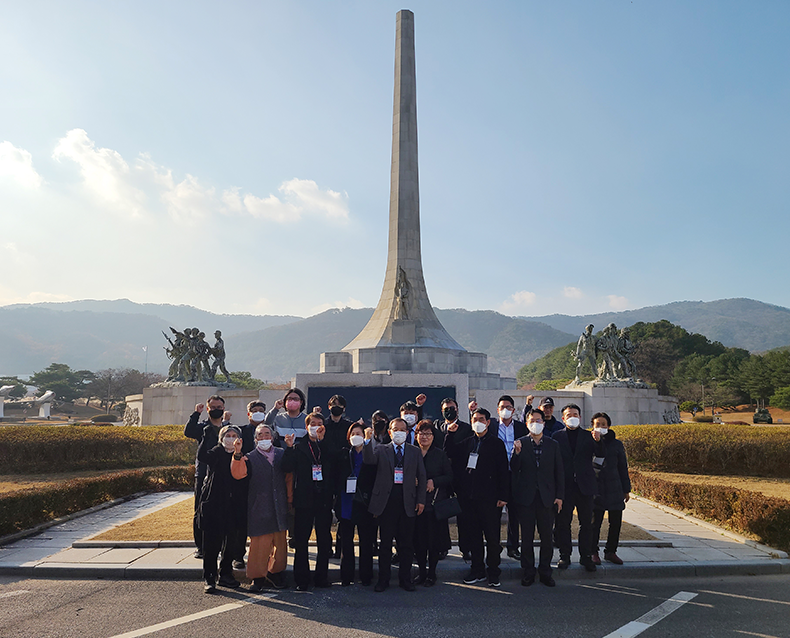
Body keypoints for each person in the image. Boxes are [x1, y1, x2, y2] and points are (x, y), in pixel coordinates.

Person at [444, 408, 509, 587]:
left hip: (490, 498)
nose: (478, 422)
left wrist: (503, 496)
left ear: (488, 422)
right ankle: (477, 569)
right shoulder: (467, 443)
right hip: (469, 499)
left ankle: (494, 571)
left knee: (492, 538)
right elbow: (450, 453)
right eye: (475, 419)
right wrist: (450, 434)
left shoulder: (497, 444)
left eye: (481, 419)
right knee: (474, 537)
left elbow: (503, 471)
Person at [363, 417, 427, 592]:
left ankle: (405, 579)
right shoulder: (381, 449)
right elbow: (368, 461)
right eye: (395, 429)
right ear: (389, 432)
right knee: (385, 544)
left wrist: (421, 500)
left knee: (406, 545)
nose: (398, 432)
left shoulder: (414, 451)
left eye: (402, 430)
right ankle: (383, 580)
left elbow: (422, 477)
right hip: (386, 504)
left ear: (407, 433)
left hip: (408, 503)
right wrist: (368, 440)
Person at [230, 424, 290, 591]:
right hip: (259, 504)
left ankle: (275, 572)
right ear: (255, 439)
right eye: (260, 435)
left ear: (272, 437)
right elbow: (238, 474)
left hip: (280, 503)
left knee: (280, 543)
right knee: (260, 544)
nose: (264, 438)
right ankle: (257, 577)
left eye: (267, 434)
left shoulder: (281, 454)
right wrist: (237, 453)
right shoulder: (249, 457)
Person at [282, 413, 336, 590]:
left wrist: (322, 441)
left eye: (320, 424)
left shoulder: (327, 445)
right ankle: (302, 580)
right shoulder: (299, 447)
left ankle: (322, 578)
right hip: (304, 499)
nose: (316, 426)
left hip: (324, 500)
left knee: (324, 541)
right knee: (301, 540)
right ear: (307, 427)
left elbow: (334, 461)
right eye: (313, 424)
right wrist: (288, 447)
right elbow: (286, 467)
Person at [511, 408, 564, 587]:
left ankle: (545, 571)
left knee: (547, 537)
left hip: (546, 497)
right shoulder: (520, 443)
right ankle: (528, 571)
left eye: (539, 420)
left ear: (543, 423)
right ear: (527, 423)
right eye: (532, 420)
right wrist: (516, 454)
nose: (536, 423)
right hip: (526, 498)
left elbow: (559, 472)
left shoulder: (552, 444)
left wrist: (559, 496)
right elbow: (514, 469)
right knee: (526, 538)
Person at [196, 424, 246, 593]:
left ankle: (226, 574)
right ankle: (209, 578)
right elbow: (202, 456)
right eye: (227, 435)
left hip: (234, 505)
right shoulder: (216, 452)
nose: (230, 438)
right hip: (214, 504)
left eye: (234, 435)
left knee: (230, 543)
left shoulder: (241, 455)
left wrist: (238, 454)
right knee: (211, 544)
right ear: (222, 437)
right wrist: (205, 437)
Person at [552, 403, 598, 572]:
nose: (572, 417)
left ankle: (586, 556)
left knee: (586, 524)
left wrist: (599, 441)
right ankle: (565, 556)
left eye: (575, 414)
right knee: (563, 523)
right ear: (563, 418)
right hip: (564, 487)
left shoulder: (588, 437)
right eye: (569, 415)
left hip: (585, 486)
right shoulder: (556, 437)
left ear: (580, 417)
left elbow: (600, 455)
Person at [184, 394, 226, 558]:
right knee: (201, 510)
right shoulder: (202, 427)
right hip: (203, 475)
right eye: (213, 407)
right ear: (208, 409)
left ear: (223, 408)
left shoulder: (227, 428)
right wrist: (196, 413)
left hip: (223, 475)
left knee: (223, 510)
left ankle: (222, 545)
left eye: (219, 407)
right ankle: (201, 547)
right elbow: (188, 431)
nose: (216, 410)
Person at [412, 420, 453, 586]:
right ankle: (421, 572)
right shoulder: (412, 453)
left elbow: (449, 477)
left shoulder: (439, 454)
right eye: (421, 433)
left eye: (428, 434)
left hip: (434, 504)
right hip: (415, 503)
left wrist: (434, 481)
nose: (424, 437)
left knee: (433, 542)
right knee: (419, 541)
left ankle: (431, 573)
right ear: (416, 436)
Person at [336, 423, 377, 586]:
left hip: (364, 502)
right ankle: (347, 576)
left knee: (366, 542)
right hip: (346, 501)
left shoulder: (370, 453)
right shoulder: (344, 454)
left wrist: (368, 442)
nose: (355, 436)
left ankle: (366, 576)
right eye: (353, 433)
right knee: (346, 541)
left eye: (359, 433)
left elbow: (373, 469)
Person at [589, 412, 631, 566]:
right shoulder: (588, 442)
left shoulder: (617, 444)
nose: (600, 427)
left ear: (608, 426)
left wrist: (626, 489)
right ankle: (593, 551)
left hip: (615, 487)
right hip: (596, 488)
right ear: (592, 426)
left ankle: (611, 551)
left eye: (603, 425)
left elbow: (622, 467)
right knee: (595, 523)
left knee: (615, 523)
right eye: (597, 424)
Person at [432, 397, 470, 559]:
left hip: (459, 475)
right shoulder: (436, 427)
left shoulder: (466, 428)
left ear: (457, 410)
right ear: (442, 411)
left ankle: (466, 547)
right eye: (446, 408)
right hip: (440, 475)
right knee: (440, 513)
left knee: (464, 514)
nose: (449, 411)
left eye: (452, 408)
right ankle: (442, 547)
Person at [490, 395, 527, 560]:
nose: (505, 410)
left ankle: (513, 546)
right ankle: (495, 545)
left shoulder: (521, 427)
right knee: (494, 513)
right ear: (497, 409)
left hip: (515, 474)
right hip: (496, 476)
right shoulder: (490, 426)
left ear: (513, 409)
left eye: (508, 407)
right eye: (502, 407)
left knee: (514, 513)